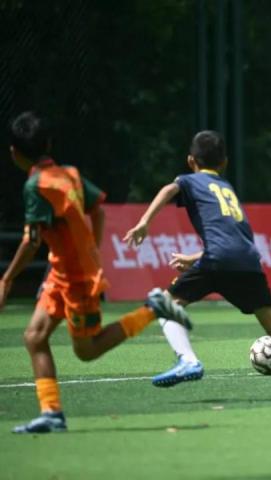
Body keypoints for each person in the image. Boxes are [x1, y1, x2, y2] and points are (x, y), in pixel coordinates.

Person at [123, 130, 271, 398]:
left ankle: (188, 360)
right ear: (224, 163)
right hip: (247, 262)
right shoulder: (226, 188)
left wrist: (144, 222)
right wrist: (196, 258)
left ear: (190, 160)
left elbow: (169, 189)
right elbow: (238, 240)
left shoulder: (190, 180)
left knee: (164, 304)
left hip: (217, 259)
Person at [0, 112, 189, 434]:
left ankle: (152, 309)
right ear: (48, 145)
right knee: (34, 337)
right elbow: (97, 211)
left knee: (87, 350)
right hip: (61, 273)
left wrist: (6, 279)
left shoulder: (36, 185)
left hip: (76, 279)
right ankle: (51, 413)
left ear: (14, 153)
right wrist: (92, 250)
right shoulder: (69, 175)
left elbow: (32, 241)